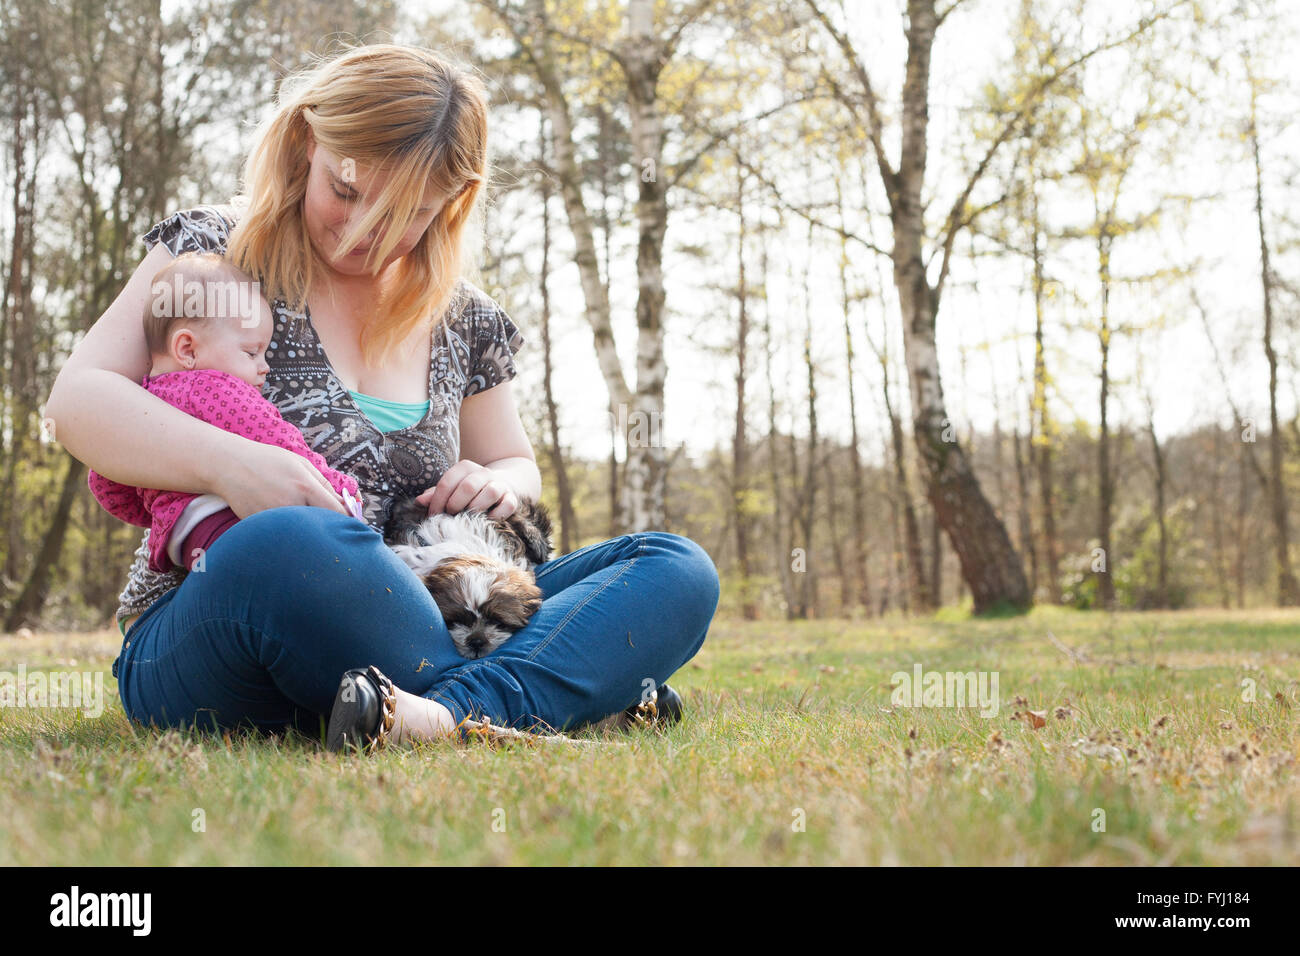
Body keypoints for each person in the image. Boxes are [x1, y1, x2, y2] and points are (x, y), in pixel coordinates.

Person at [44, 43, 719, 748]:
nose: (367, 231)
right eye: (347, 190)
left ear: (450, 206)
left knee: (675, 568)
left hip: (431, 607)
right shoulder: (214, 252)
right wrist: (231, 466)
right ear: (309, 142)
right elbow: (79, 402)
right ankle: (563, 686)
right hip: (225, 611)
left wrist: (496, 483)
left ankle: (430, 715)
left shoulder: (469, 318)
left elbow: (516, 464)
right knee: (293, 543)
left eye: (408, 214)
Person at [86, 252, 365, 574]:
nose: (264, 367)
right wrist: (338, 490)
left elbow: (105, 483)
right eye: (251, 352)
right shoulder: (217, 390)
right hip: (223, 522)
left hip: (183, 538)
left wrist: (157, 513)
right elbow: (279, 442)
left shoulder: (138, 403)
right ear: (188, 349)